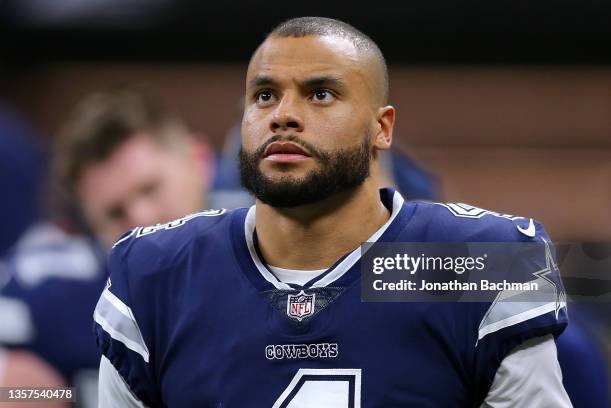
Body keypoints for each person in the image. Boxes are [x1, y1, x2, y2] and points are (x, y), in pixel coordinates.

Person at [95, 17, 571, 407]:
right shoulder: (157, 273)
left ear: (382, 129)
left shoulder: (480, 262)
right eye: (264, 95)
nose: (283, 114)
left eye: (320, 93)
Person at [0, 87, 214, 407]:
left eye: (150, 188)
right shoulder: (54, 287)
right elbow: (14, 392)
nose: (142, 218)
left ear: (200, 160)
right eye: (114, 213)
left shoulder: (276, 240)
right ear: (89, 225)